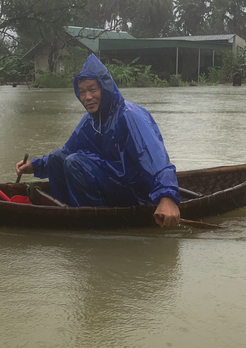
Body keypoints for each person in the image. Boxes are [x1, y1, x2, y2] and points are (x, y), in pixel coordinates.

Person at [16, 54, 181, 227]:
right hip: (113, 183)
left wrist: (167, 196)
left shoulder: (129, 116)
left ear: (106, 88)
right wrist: (35, 166)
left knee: (75, 163)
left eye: (92, 90)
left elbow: (157, 160)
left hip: (138, 193)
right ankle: (69, 213)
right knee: (58, 157)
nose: (87, 97)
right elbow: (68, 150)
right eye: (82, 92)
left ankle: (95, 223)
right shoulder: (91, 121)